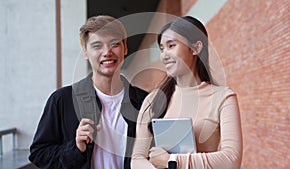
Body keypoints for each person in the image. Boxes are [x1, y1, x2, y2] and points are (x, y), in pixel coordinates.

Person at [29, 15, 148, 169]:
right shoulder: (62, 100)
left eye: (114, 44)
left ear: (125, 48)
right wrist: (76, 148)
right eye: (97, 46)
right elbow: (39, 154)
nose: (107, 52)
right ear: (85, 52)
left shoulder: (145, 101)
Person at [131, 16, 243, 169]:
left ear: (195, 48)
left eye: (171, 45)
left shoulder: (223, 98)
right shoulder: (153, 100)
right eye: (162, 49)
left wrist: (172, 161)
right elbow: (137, 158)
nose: (164, 55)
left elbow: (231, 159)